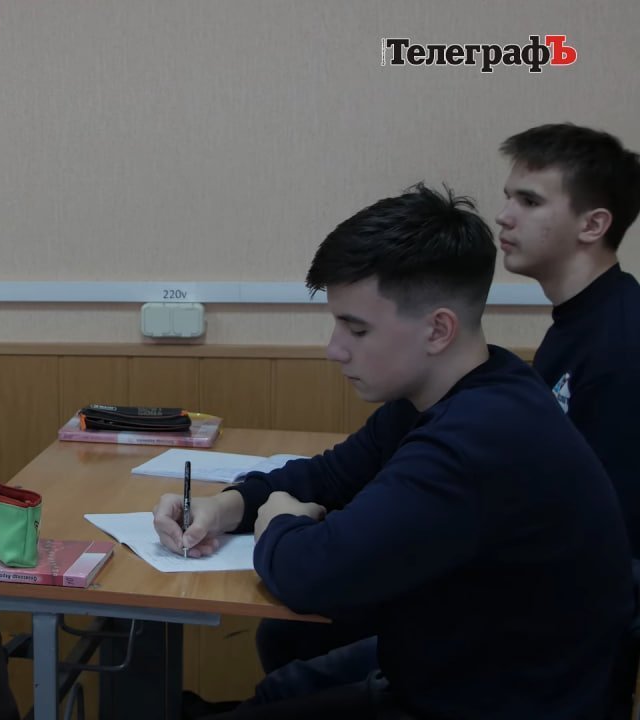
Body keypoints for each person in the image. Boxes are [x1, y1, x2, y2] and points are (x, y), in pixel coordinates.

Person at [154, 184, 634, 719]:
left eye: (356, 329)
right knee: (276, 687)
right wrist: (228, 505)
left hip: (498, 703)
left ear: (438, 329)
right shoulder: (457, 388)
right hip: (450, 670)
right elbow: (330, 476)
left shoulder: (481, 436)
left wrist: (278, 521)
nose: (334, 349)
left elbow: (316, 575)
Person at [497, 123, 640, 557]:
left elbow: (614, 528)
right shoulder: (577, 321)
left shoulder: (624, 343)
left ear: (592, 225)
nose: (504, 216)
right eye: (508, 197)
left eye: (529, 201)